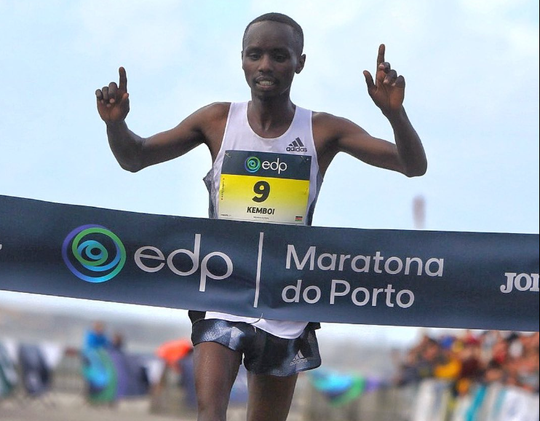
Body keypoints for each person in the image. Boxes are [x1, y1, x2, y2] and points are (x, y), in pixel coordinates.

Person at [95, 12, 427, 421]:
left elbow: (412, 165)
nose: (266, 65)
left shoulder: (322, 131)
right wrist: (116, 126)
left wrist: (395, 114)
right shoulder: (217, 121)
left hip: (284, 296)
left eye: (279, 56)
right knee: (209, 410)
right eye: (256, 55)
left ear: (299, 62)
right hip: (221, 287)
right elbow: (135, 157)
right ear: (242, 60)